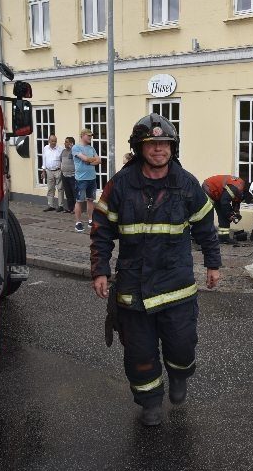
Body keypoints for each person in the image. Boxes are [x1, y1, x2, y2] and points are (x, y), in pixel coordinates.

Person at [90, 113, 221, 426]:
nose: (159, 149)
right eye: (152, 143)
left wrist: (213, 263)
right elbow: (101, 229)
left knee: (182, 344)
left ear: (172, 147)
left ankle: (179, 377)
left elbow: (206, 226)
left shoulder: (187, 184)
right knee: (139, 353)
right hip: (133, 289)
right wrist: (99, 269)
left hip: (176, 286)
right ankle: (149, 402)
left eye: (164, 143)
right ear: (139, 147)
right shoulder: (121, 185)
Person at [201, 175, 253, 244]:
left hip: (219, 195)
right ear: (251, 192)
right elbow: (224, 202)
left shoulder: (242, 189)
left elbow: (236, 201)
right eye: (251, 197)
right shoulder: (236, 188)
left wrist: (236, 213)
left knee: (224, 216)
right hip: (209, 189)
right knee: (206, 214)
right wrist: (230, 214)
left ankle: (223, 238)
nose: (249, 198)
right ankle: (200, 238)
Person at [72, 128, 101, 232]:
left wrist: (90, 161)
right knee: (79, 201)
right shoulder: (76, 147)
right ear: (83, 135)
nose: (90, 137)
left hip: (92, 178)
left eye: (91, 136)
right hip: (81, 179)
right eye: (88, 135)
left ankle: (90, 220)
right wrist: (90, 160)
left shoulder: (91, 148)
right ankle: (78, 222)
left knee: (90, 200)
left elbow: (99, 160)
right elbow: (86, 159)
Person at [41, 135, 65, 212]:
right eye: (52, 141)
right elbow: (44, 159)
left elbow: (63, 160)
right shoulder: (45, 148)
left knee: (60, 188)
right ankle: (50, 205)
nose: (54, 142)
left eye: (55, 141)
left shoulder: (60, 149)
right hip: (49, 171)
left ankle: (60, 205)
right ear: (49, 141)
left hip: (58, 170)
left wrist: (62, 170)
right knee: (50, 188)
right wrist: (43, 171)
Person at [59, 137, 76, 214]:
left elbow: (77, 159)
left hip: (72, 176)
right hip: (64, 175)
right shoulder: (63, 151)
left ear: (71, 143)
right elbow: (61, 161)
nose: (65, 143)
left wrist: (72, 148)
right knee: (68, 193)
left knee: (74, 193)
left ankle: (76, 209)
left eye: (66, 142)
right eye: (65, 142)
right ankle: (70, 208)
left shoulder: (74, 151)